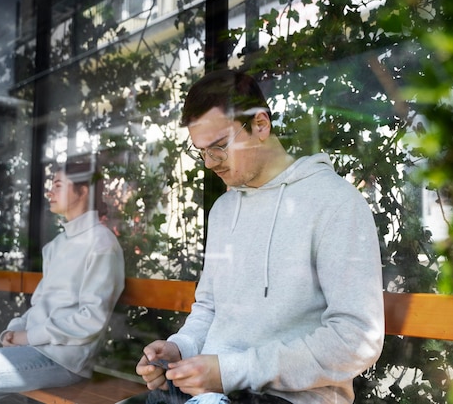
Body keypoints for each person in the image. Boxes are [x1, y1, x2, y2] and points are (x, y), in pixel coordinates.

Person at [135, 69, 385, 404]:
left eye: (219, 146)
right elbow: (209, 308)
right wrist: (181, 347)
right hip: (210, 393)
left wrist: (231, 370)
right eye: (202, 151)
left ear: (261, 125)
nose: (211, 163)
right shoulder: (223, 210)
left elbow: (355, 339)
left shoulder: (335, 203)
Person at [0, 157, 126, 403]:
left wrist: (29, 337)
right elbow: (40, 305)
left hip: (63, 361)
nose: (50, 192)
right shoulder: (56, 246)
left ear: (82, 191)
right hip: (31, 351)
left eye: (59, 185)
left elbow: (91, 319)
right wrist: (15, 330)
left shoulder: (102, 243)